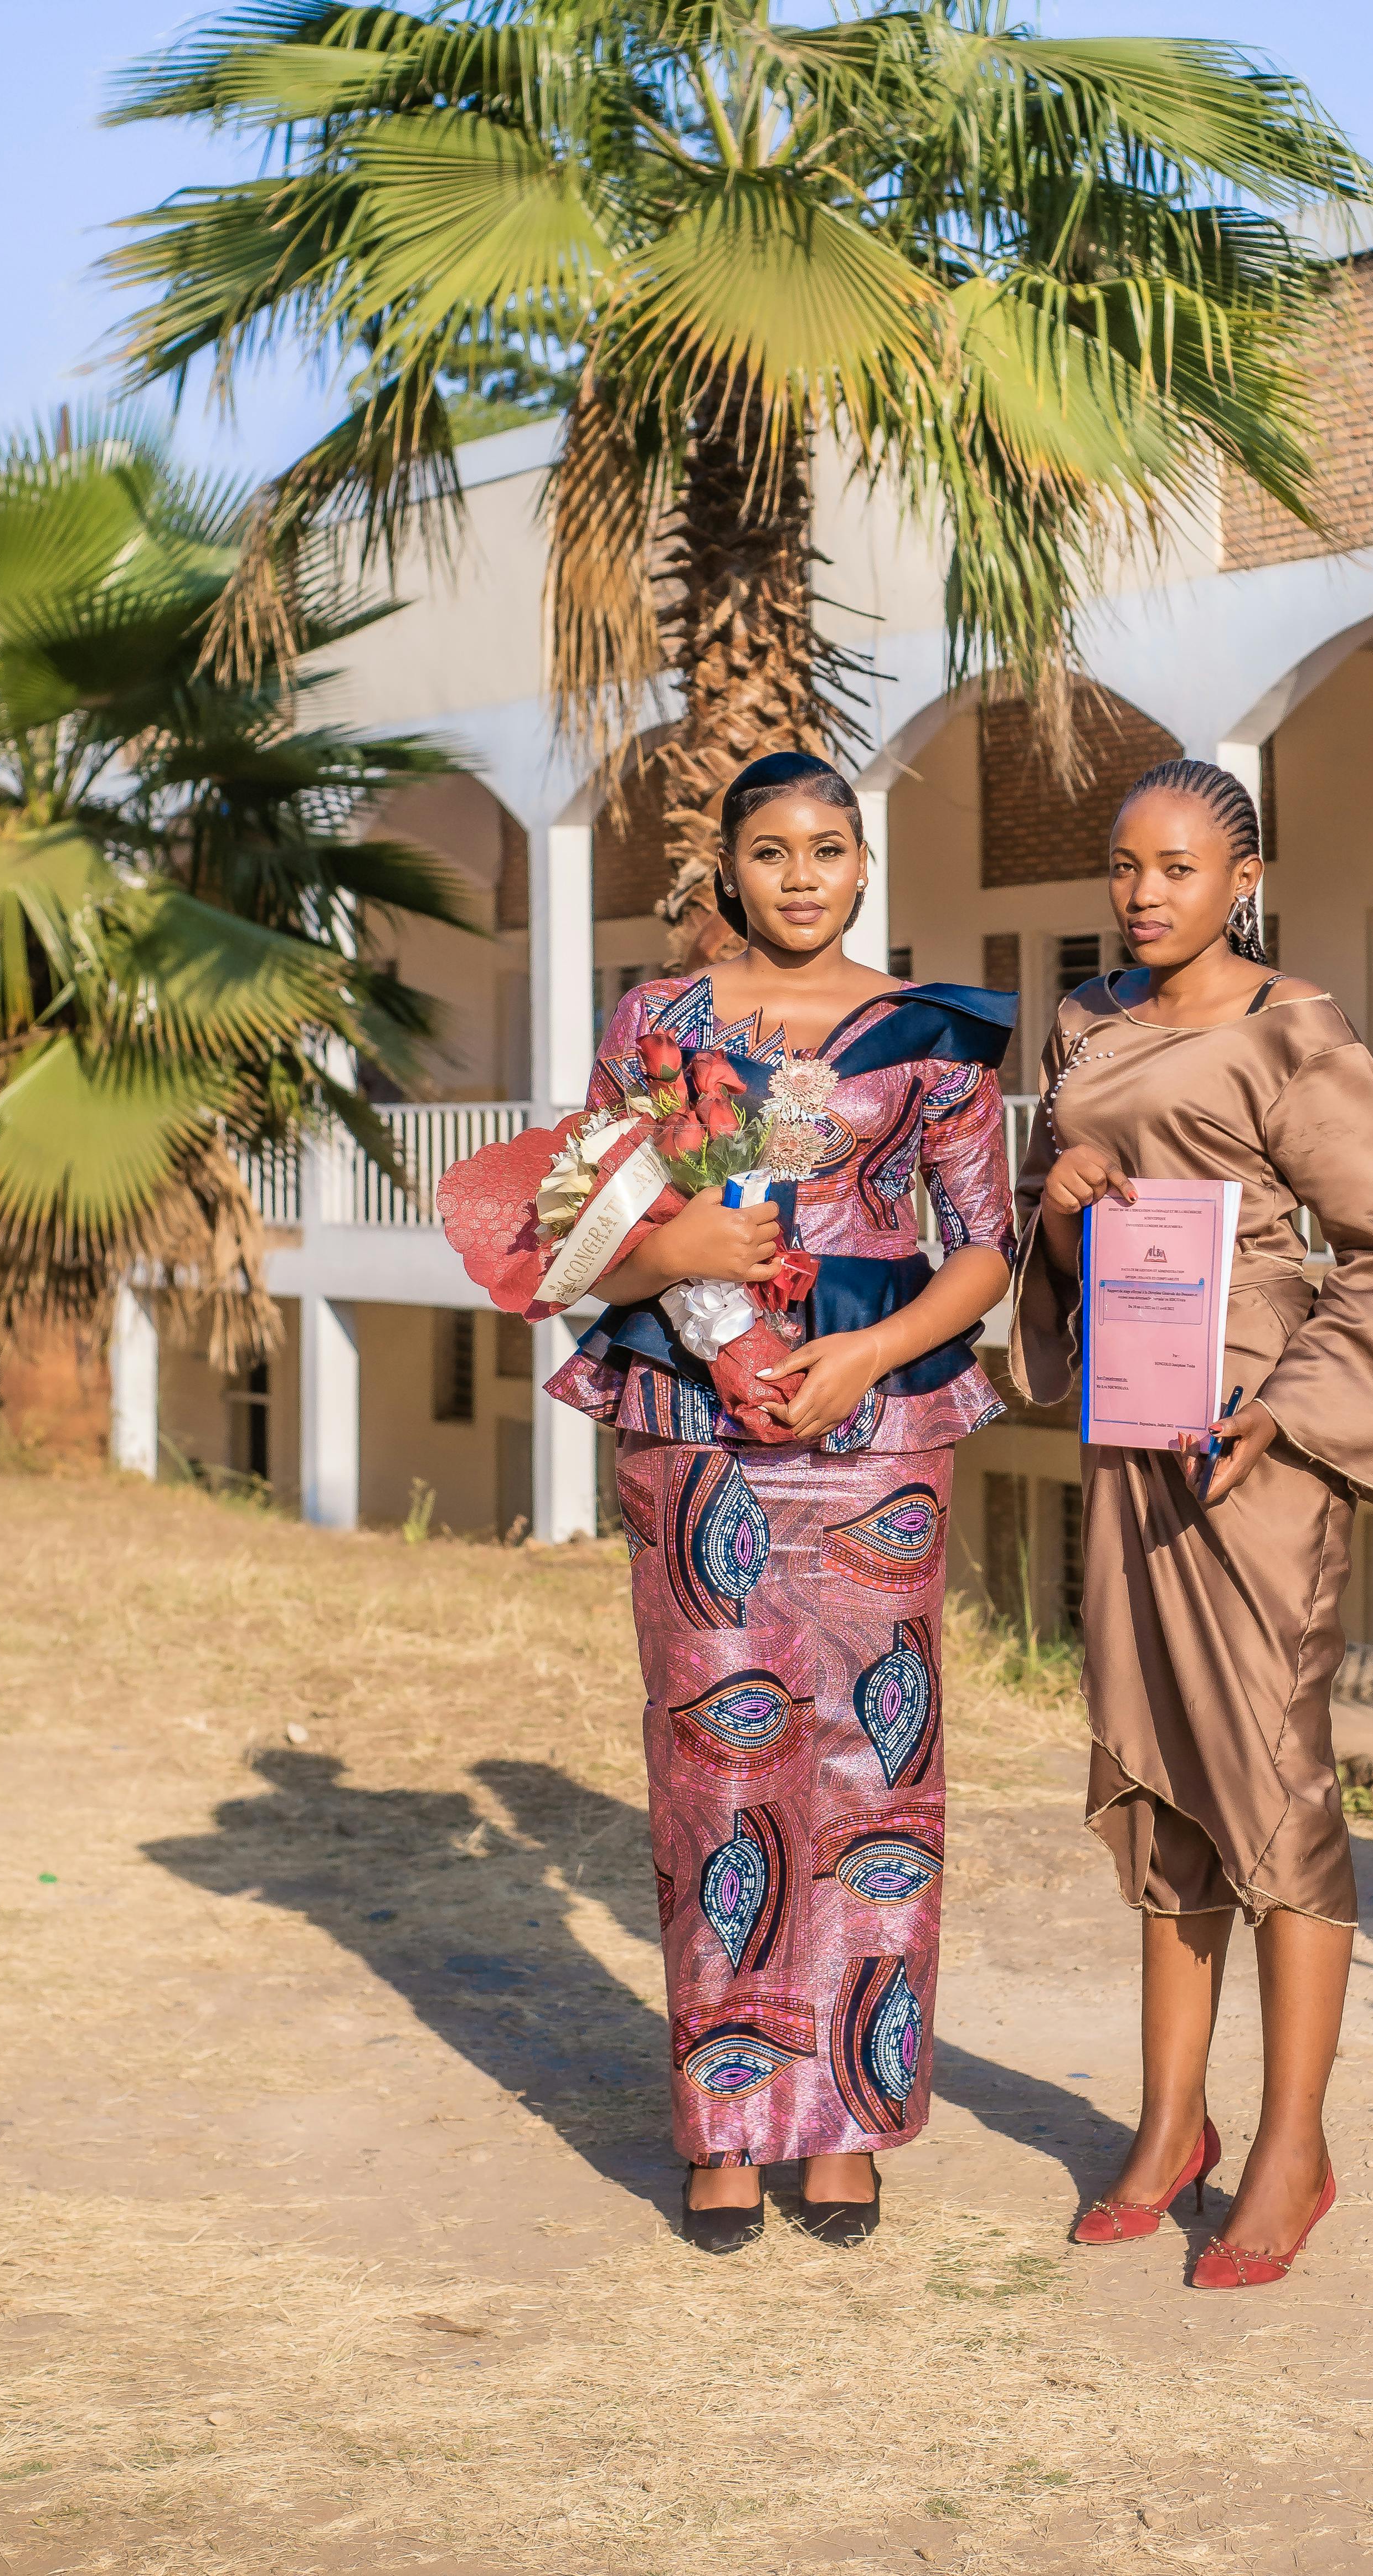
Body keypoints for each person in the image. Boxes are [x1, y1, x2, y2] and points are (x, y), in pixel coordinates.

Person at [545, 750, 1017, 2251]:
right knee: (716, 1765)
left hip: (875, 1427)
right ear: (727, 873)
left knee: (875, 1765)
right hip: (690, 1424)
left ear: (864, 864)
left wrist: (866, 1352)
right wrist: (674, 1265)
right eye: (770, 850)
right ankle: (729, 2121)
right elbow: (581, 1232)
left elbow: (985, 1248)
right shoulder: (655, 1024)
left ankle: (850, 2117)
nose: (801, 874)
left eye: (827, 847)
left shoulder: (936, 1034)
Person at [1009, 758, 1373, 2291]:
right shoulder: (1081, 1024)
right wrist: (1059, 1197)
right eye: (1124, 866)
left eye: (1177, 868)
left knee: (1267, 1769)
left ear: (1239, 879)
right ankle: (1169, 2118)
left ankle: (1291, 2143)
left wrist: (1291, 1407)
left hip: (1253, 1433)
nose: (1143, 892)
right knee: (1158, 1763)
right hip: (1127, 1419)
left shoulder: (1291, 1031)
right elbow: (1051, 1217)